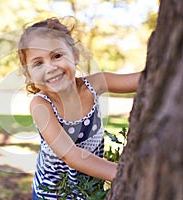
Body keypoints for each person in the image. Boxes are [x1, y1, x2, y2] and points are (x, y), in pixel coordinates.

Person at [17, 17, 141, 199]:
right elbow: (71, 155)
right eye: (38, 63)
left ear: (74, 55)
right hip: (53, 193)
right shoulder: (41, 105)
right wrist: (125, 175)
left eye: (57, 56)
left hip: (90, 188)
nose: (50, 67)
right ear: (28, 74)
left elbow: (143, 79)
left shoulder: (95, 84)